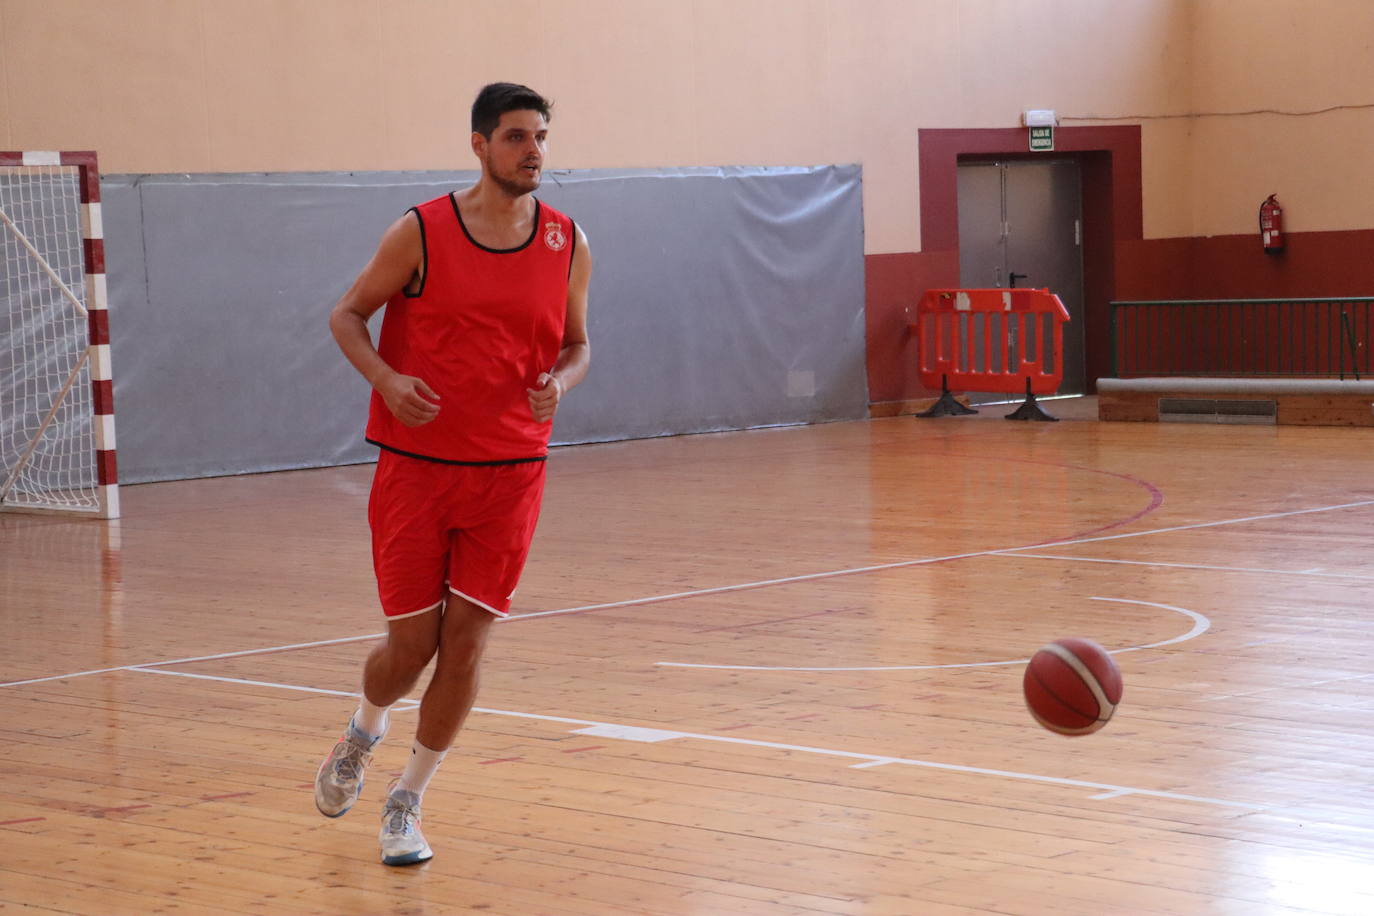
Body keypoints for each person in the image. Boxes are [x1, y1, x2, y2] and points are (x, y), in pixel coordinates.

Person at [315, 82, 591, 867]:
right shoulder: (422, 232)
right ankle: (363, 731)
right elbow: (346, 315)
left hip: (512, 472)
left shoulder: (567, 240)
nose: (533, 150)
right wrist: (388, 381)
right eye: (515, 137)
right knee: (411, 648)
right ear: (479, 144)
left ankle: (407, 801)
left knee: (466, 647)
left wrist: (561, 385)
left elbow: (579, 345)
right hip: (418, 469)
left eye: (540, 136)